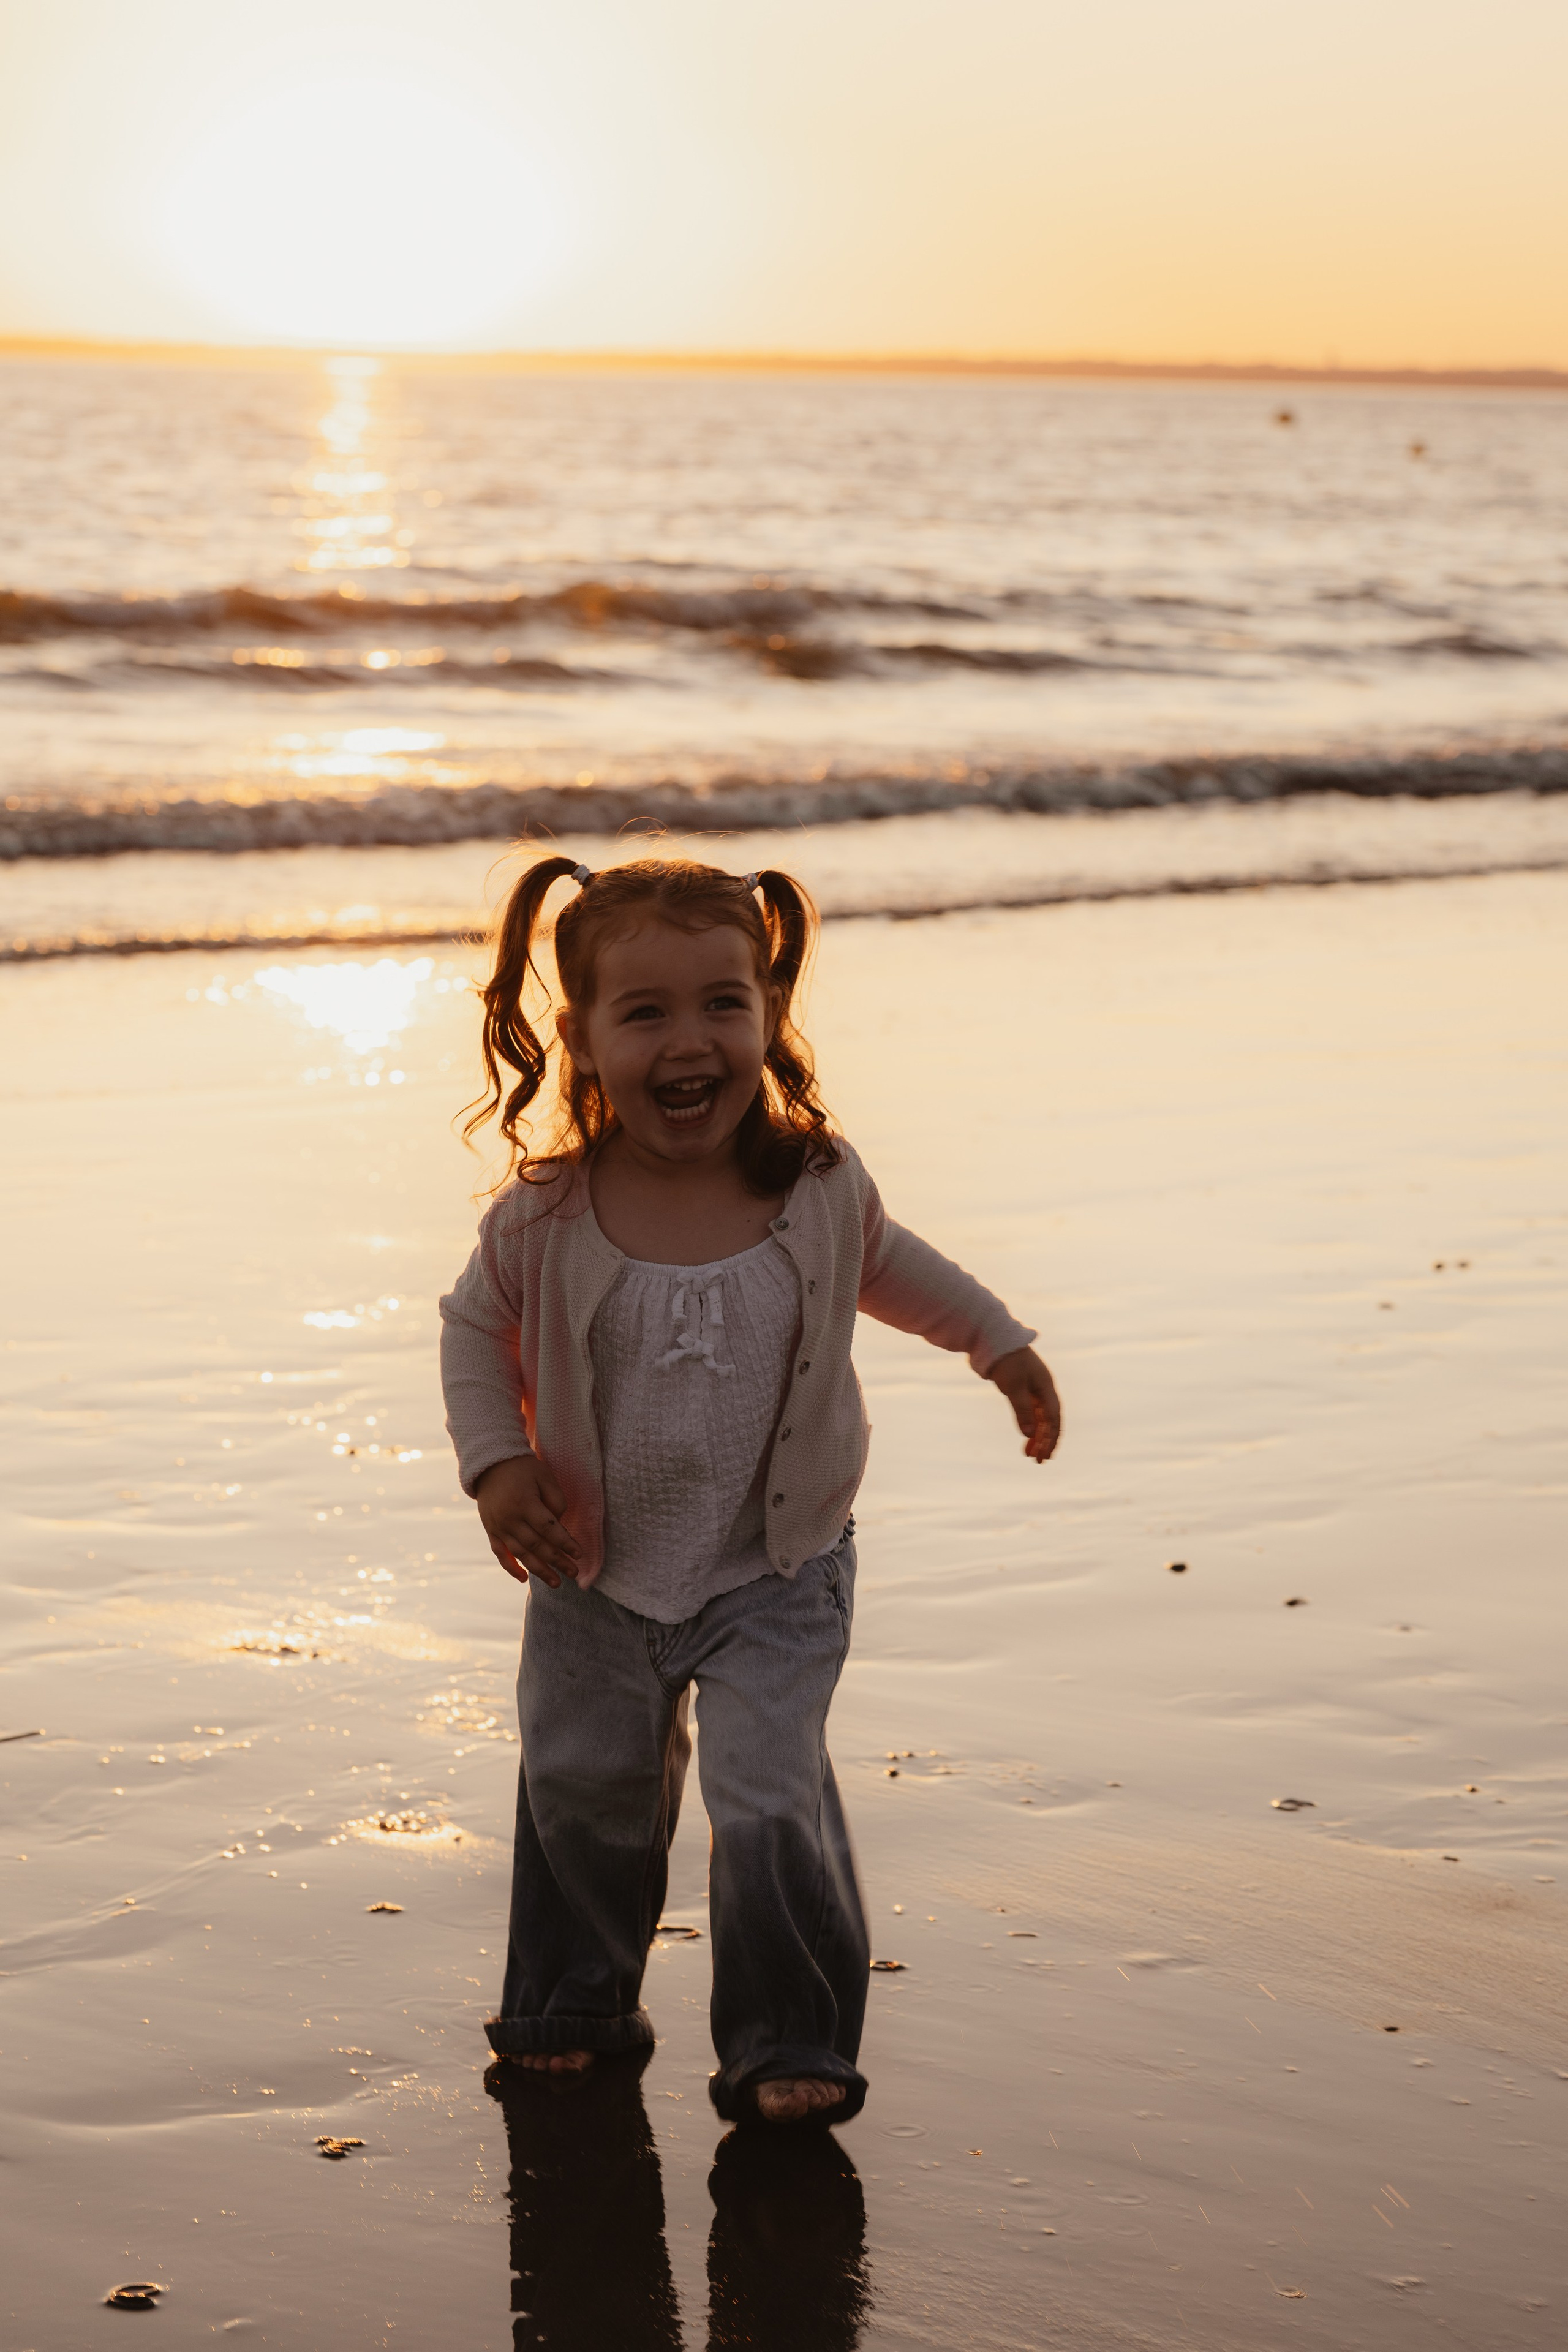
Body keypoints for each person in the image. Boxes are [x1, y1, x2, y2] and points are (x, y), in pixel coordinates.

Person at [440, 854, 1060, 2127]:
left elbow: (892, 1264)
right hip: (590, 1575)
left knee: (767, 1797)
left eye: (724, 1003)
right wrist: (497, 1467)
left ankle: (792, 2042)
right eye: (646, 1011)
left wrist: (994, 1342)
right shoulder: (545, 1215)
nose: (692, 1039)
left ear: (769, 1013)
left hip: (774, 1574)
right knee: (580, 1787)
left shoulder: (816, 1188)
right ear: (581, 1037)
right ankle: (574, 1998)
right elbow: (469, 1332)